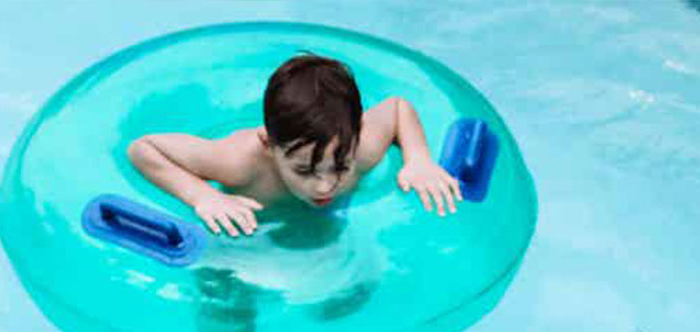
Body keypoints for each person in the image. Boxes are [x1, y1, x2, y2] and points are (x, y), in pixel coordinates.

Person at [126, 52, 463, 239]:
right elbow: (143, 149)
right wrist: (203, 196)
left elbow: (397, 107)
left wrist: (418, 159)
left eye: (340, 166)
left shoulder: (358, 146)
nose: (326, 184)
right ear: (269, 146)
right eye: (304, 169)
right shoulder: (238, 161)